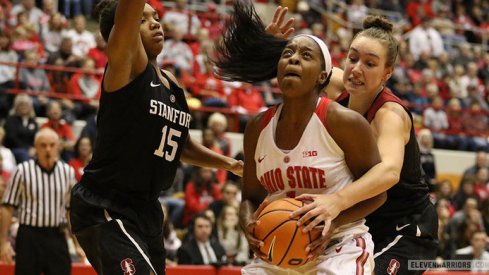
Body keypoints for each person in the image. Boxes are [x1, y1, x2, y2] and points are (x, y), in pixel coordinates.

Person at [69, 1, 243, 275]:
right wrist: (130, 14)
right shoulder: (126, 67)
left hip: (147, 209)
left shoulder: (172, 83)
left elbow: (181, 145)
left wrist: (231, 165)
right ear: (122, 31)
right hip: (105, 203)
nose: (154, 23)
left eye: (157, 17)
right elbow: (128, 12)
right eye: (143, 19)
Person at [214, 2, 385, 274]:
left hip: (339, 244)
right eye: (288, 53)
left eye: (306, 55)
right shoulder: (257, 127)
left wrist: (333, 223)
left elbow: (377, 193)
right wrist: (248, 223)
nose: (293, 58)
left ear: (322, 75)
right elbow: (250, 198)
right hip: (278, 248)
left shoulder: (343, 121)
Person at [293, 15, 439, 275]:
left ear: (387, 73)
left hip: (407, 230)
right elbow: (299, 62)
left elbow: (389, 172)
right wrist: (278, 40)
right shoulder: (340, 88)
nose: (357, 68)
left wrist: (336, 201)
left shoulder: (390, 115)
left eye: (370, 63)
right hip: (362, 222)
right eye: (352, 58)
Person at [0, 128, 80, 275]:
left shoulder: (67, 172)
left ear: (58, 147)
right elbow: (7, 207)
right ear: (36, 147)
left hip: (57, 235)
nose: (47, 149)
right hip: (29, 237)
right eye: (43, 145)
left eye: (51, 145)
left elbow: (70, 211)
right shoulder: (22, 170)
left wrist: (77, 244)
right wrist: (3, 242)